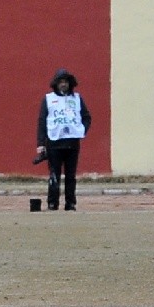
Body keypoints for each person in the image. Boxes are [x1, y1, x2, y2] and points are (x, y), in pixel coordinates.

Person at [35, 68, 91, 211]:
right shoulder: (48, 99)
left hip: (72, 142)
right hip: (54, 142)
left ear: (70, 83)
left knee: (71, 176)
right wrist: (41, 144)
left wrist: (82, 130)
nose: (63, 84)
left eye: (66, 82)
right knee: (54, 175)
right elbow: (42, 121)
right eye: (61, 82)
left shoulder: (77, 98)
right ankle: (52, 203)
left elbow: (86, 117)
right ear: (56, 84)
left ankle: (70, 203)